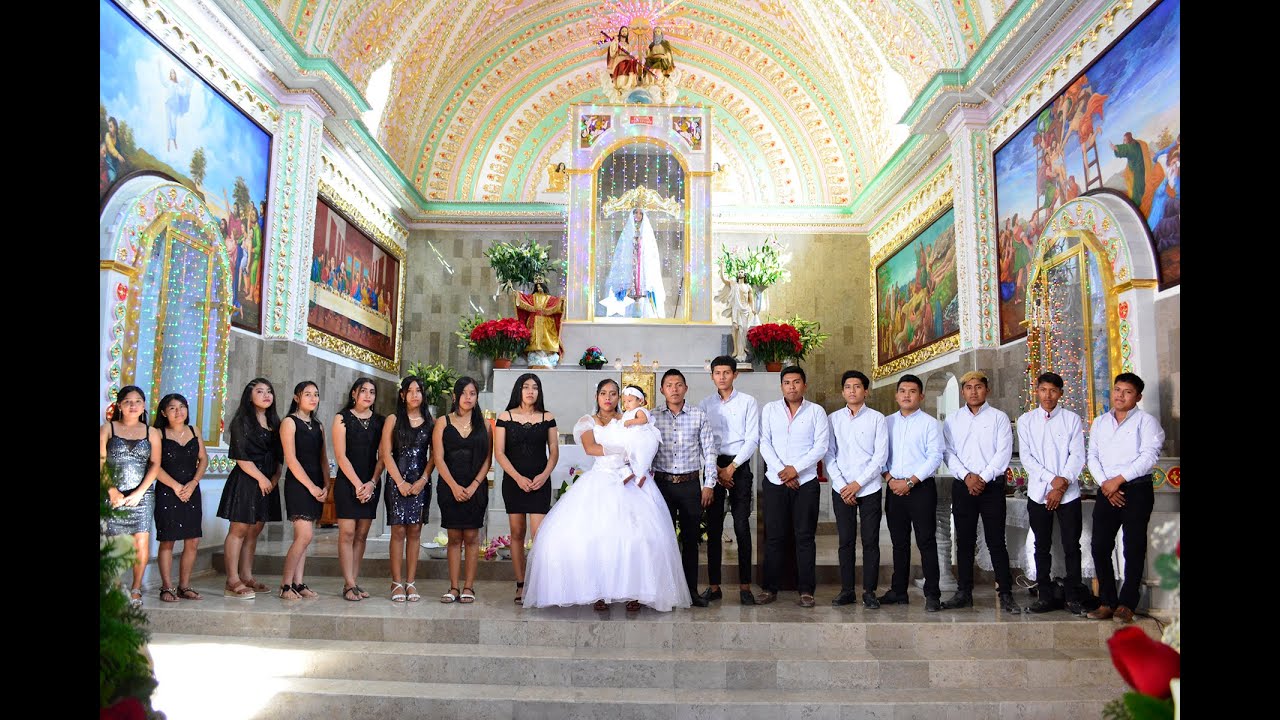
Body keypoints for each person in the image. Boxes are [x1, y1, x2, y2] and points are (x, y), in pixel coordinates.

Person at [523, 379, 691, 612]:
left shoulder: (628, 419)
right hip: (601, 479)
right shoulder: (587, 422)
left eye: (614, 393)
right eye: (604, 393)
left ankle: (638, 590)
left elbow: (645, 438)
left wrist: (637, 454)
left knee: (640, 537)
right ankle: (598, 591)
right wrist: (621, 450)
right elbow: (590, 448)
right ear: (597, 397)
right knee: (597, 538)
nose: (608, 398)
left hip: (630, 480)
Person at [1086, 373, 1165, 624]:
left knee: (1133, 547)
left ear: (1138, 396)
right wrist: (1106, 484)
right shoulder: (1100, 422)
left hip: (1136, 490)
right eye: (1117, 390)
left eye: (1127, 391)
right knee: (1099, 546)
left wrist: (1118, 480)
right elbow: (1092, 456)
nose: (1120, 395)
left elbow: (1148, 456)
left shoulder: (1147, 422)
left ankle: (1127, 603)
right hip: (1107, 490)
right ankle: (1108, 601)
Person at [941, 371, 1020, 612]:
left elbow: (1004, 452)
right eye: (968, 387)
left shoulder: (999, 418)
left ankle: (1005, 592)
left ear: (987, 390)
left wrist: (982, 478)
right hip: (963, 486)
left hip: (991, 487)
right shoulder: (952, 420)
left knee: (996, 541)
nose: (973, 391)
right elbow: (948, 452)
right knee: (964, 541)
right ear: (963, 391)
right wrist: (967, 477)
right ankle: (964, 592)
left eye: (978, 387)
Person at [755, 366, 830, 608]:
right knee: (774, 537)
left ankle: (806, 590)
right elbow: (764, 442)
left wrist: (795, 469)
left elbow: (821, 447)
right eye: (787, 382)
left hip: (805, 483)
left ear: (804, 385)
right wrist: (783, 471)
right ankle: (769, 588)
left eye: (796, 382)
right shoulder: (770, 410)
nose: (792, 387)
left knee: (805, 537)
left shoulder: (816, 412)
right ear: (781, 387)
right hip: (776, 482)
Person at [1017, 372, 1087, 615]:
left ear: (1061, 393)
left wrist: (1062, 484)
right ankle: (1044, 595)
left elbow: (1077, 455)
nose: (1048, 395)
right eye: (1043, 390)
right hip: (1038, 493)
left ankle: (1073, 596)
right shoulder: (1026, 421)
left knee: (1071, 546)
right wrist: (1051, 481)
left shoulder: (1071, 419)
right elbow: (1027, 458)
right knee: (1041, 546)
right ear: (1037, 391)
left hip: (1068, 494)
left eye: (1053, 391)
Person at [651, 369, 718, 607]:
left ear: (686, 388)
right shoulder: (652, 417)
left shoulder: (698, 415)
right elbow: (646, 452)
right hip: (662, 486)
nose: (674, 389)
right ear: (662, 390)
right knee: (663, 541)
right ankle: (664, 593)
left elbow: (709, 451)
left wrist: (709, 484)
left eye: (679, 384)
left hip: (690, 486)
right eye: (669, 385)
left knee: (691, 541)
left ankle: (691, 591)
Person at [697, 355, 760, 605]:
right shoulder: (704, 405)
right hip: (713, 466)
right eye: (717, 373)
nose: (722, 377)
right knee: (713, 529)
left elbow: (752, 438)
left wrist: (731, 468)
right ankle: (714, 586)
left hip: (739, 467)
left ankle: (745, 586)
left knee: (742, 527)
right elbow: (702, 441)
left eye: (726, 372)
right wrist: (716, 471)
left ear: (736, 375)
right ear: (712, 376)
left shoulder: (748, 402)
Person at [879, 374, 944, 612]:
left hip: (921, 489)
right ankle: (898, 591)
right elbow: (880, 455)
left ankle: (933, 594)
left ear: (921, 396)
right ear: (896, 395)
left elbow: (935, 456)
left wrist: (910, 481)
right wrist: (890, 479)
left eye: (912, 391)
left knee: (926, 541)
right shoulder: (886, 423)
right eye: (903, 391)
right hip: (894, 486)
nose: (907, 395)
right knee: (899, 543)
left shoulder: (930, 423)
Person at [824, 370, 888, 609]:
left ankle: (869, 591)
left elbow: (880, 457)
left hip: (869, 488)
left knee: (870, 541)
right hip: (842, 490)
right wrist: (843, 486)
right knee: (845, 541)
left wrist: (857, 484)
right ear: (843, 392)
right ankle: (847, 590)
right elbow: (829, 454)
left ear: (866, 391)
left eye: (857, 386)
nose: (852, 391)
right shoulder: (833, 419)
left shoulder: (877, 419)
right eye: (848, 387)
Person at [493, 374, 558, 605]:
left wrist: (543, 475)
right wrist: (518, 478)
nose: (530, 391)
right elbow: (499, 453)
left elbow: (554, 452)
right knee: (517, 532)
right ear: (518, 390)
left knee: (539, 535)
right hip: (514, 482)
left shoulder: (547, 417)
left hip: (540, 482)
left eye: (535, 387)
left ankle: (539, 583)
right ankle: (521, 584)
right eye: (526, 387)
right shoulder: (505, 417)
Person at [216, 378, 283, 599]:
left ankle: (246, 575)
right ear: (249, 396)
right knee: (239, 530)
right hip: (247, 480)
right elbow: (241, 457)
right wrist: (261, 479)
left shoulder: (275, 421)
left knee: (255, 530)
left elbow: (279, 456)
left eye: (269, 391)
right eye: (260, 391)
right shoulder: (242, 421)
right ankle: (232, 580)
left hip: (267, 480)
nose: (266, 395)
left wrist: (274, 477)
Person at [100, 386, 162, 608]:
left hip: (142, 495)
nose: (133, 405)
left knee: (140, 540)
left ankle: (136, 588)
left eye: (138, 401)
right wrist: (111, 490)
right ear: (119, 405)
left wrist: (140, 492)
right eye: (127, 401)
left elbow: (155, 465)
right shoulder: (108, 429)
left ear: (144, 406)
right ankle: (114, 586)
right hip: (112, 493)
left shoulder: (152, 432)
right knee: (112, 540)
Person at [434, 377, 491, 605]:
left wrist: (475, 484)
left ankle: (469, 586)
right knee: (454, 536)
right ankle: (454, 586)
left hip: (475, 487)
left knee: (472, 536)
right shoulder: (442, 422)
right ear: (455, 396)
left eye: (473, 394)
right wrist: (454, 486)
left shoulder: (485, 425)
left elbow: (488, 459)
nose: (469, 398)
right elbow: (438, 458)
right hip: (450, 486)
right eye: (465, 393)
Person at [380, 376, 434, 602]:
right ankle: (396, 582)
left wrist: (422, 480)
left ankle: (410, 582)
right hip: (396, 481)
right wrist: (400, 483)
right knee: (398, 531)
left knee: (415, 532)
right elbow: (385, 453)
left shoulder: (431, 421)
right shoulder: (393, 419)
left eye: (418, 391)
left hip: (420, 482)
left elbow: (435, 456)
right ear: (402, 395)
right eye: (410, 391)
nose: (414, 395)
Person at [332, 378, 384, 602]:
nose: (368, 396)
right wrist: (357, 484)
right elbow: (341, 456)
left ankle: (353, 580)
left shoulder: (380, 421)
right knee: (347, 533)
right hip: (347, 482)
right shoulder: (342, 418)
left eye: (372, 392)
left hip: (371, 483)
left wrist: (372, 482)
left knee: (362, 534)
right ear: (354, 393)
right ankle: (348, 584)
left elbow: (383, 456)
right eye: (363, 391)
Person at [152, 393, 207, 602]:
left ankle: (184, 586)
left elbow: (203, 459)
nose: (178, 411)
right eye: (172, 408)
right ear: (164, 412)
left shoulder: (194, 431)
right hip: (168, 490)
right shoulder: (157, 433)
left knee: (192, 540)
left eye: (182, 406)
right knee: (168, 540)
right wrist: (176, 487)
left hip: (192, 490)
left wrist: (192, 484)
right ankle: (167, 587)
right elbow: (154, 466)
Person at [278, 381, 329, 600]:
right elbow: (291, 459)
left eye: (316, 394)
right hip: (299, 484)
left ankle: (299, 583)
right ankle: (285, 585)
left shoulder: (318, 425)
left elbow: (323, 459)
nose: (313, 398)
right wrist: (311, 486)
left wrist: (326, 486)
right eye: (307, 394)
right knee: (304, 535)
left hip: (317, 484)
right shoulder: (289, 423)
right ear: (296, 397)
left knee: (307, 539)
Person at [601, 207, 666, 318]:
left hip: (643, 269)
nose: (638, 215)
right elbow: (622, 252)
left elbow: (651, 253)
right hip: (630, 268)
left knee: (644, 289)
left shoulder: (647, 232)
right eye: (636, 212)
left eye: (641, 213)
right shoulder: (627, 232)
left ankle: (647, 312)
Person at [516, 282, 565, 368]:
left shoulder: (549, 298)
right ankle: (536, 356)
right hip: (534, 321)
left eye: (540, 286)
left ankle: (546, 356)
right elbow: (524, 299)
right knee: (534, 339)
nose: (539, 288)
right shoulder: (533, 297)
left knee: (547, 338)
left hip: (547, 321)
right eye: (537, 286)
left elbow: (556, 303)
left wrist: (561, 300)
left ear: (544, 287)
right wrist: (517, 294)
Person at [619, 385, 662, 481]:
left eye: (629, 401)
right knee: (627, 457)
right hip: (631, 438)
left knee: (641, 457)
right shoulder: (627, 413)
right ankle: (630, 473)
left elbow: (643, 420)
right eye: (624, 401)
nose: (626, 404)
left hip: (641, 438)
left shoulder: (639, 410)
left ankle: (641, 475)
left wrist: (630, 422)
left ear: (640, 401)